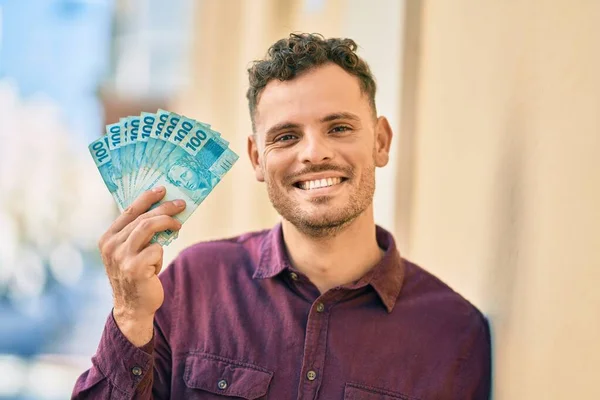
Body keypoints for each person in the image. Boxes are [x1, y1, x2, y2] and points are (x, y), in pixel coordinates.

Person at [72, 33, 491, 399]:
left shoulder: (455, 334)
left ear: (380, 142)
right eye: (286, 137)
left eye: (339, 128)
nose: (313, 153)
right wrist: (130, 315)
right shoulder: (193, 284)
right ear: (257, 158)